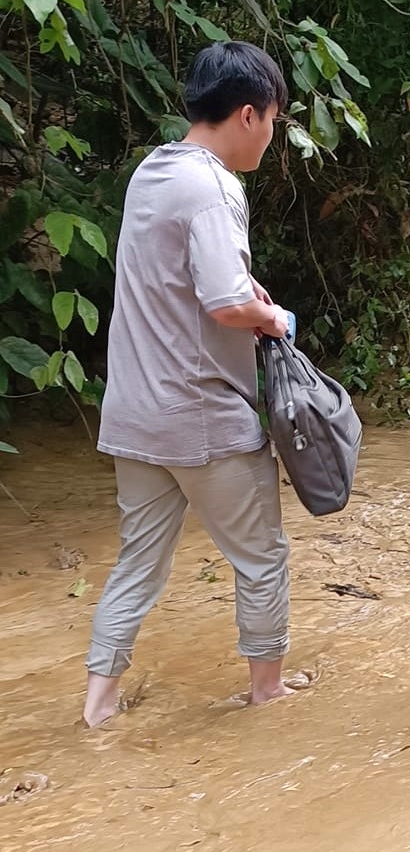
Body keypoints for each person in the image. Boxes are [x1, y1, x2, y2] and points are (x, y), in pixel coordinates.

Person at [83, 42, 300, 728]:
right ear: (246, 114)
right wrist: (276, 315)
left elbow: (178, 284)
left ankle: (99, 705)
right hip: (201, 417)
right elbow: (226, 304)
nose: (272, 132)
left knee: (138, 561)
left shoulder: (153, 171)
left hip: (134, 417)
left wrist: (241, 295)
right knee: (262, 554)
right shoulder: (214, 186)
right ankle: (266, 692)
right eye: (274, 118)